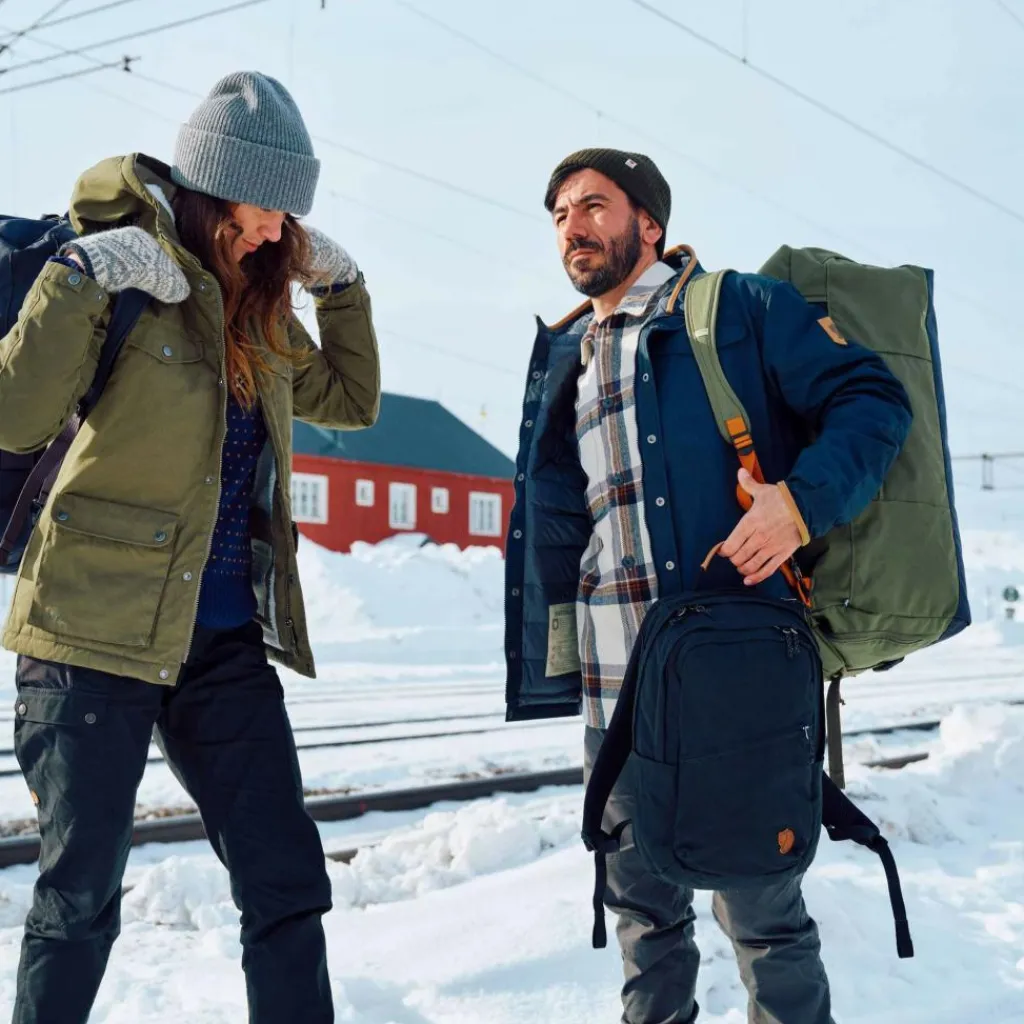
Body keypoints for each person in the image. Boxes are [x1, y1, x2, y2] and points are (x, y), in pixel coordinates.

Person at [0, 71, 380, 1024]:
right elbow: (14, 416)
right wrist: (79, 275)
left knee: (286, 878)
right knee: (80, 898)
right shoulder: (116, 274)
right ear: (215, 189)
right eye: (265, 208)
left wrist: (343, 290)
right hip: (91, 634)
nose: (277, 230)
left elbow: (351, 399)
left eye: (290, 214)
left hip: (220, 645)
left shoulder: (261, 307)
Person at [503, 148, 912, 1023]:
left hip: (732, 685)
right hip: (615, 692)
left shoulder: (736, 311)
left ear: (649, 223)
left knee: (765, 920)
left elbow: (874, 401)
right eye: (560, 214)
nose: (573, 226)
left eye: (594, 205)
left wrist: (799, 505)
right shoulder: (568, 356)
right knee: (643, 922)